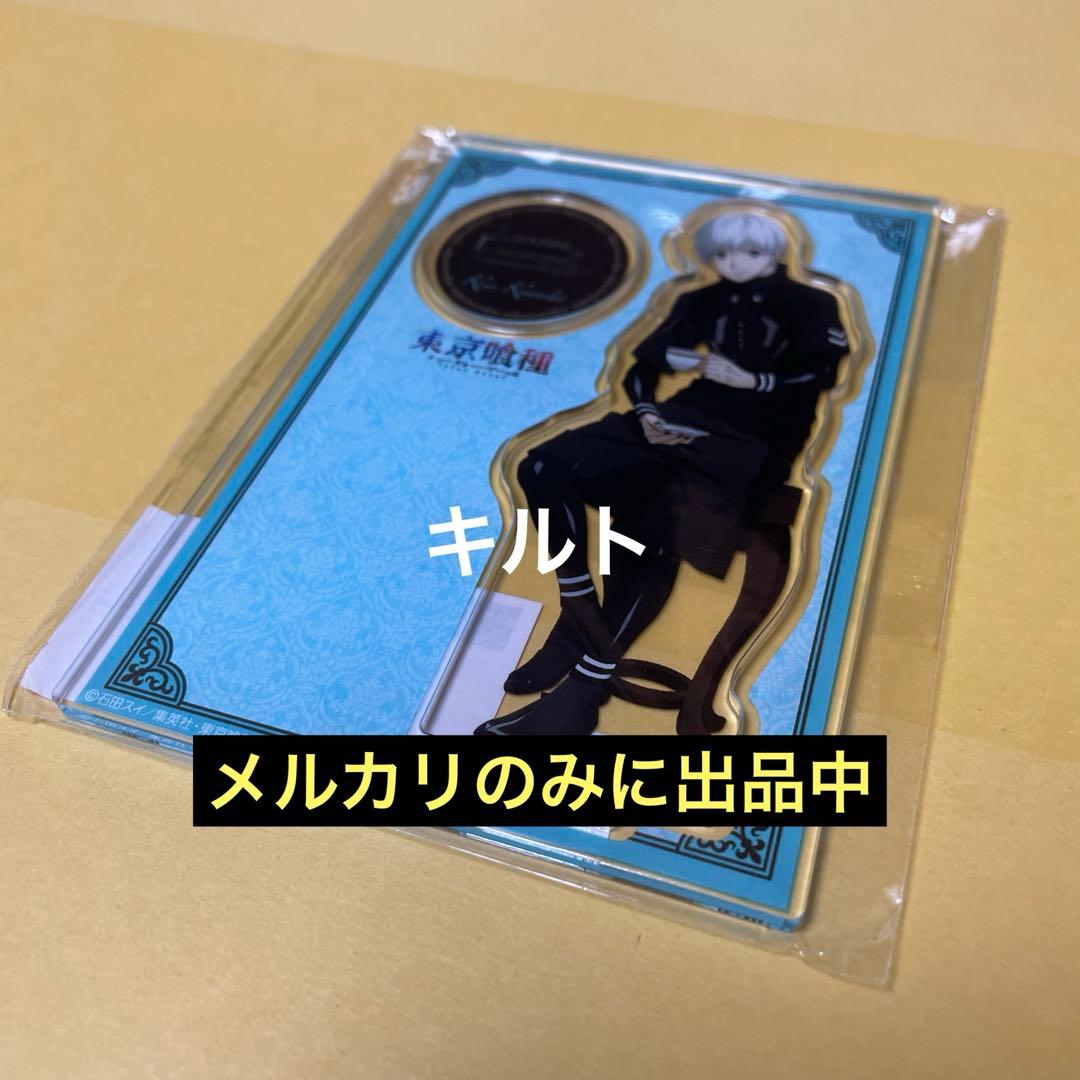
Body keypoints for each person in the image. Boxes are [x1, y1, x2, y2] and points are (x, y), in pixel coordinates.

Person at [475, 210, 851, 735]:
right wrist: (650, 416)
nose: (733, 263)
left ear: (772, 252)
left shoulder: (812, 302)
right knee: (543, 463)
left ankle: (583, 687)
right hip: (686, 414)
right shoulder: (702, 298)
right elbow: (643, 364)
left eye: (748, 252)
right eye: (721, 254)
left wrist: (757, 381)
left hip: (760, 434)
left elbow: (823, 372)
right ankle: (579, 617)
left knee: (655, 525)